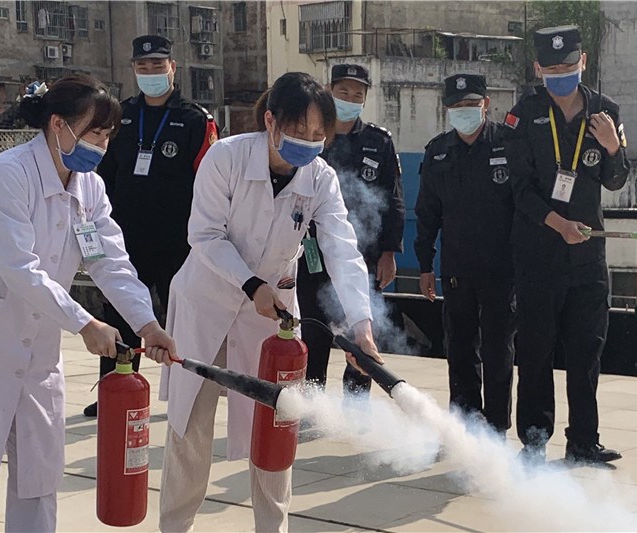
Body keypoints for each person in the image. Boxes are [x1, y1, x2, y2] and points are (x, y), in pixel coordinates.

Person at [155, 72, 383, 533]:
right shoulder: (226, 157)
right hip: (206, 304)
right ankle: (175, 527)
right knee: (190, 427)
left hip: (271, 318)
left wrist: (361, 324)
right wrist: (251, 284)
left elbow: (341, 248)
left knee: (276, 427)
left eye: (318, 134)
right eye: (299, 131)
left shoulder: (320, 178)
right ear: (270, 121)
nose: (309, 142)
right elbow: (205, 235)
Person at [0, 75, 176, 532]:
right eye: (94, 133)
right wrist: (85, 323)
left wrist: (147, 324)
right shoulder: (10, 173)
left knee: (39, 476)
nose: (101, 145)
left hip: (40, 355)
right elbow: (20, 269)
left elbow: (111, 264)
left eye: (107, 136)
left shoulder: (90, 188)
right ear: (58, 125)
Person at [504, 25, 630, 464]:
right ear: (538, 68)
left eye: (569, 65)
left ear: (583, 62)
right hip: (539, 254)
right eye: (552, 68)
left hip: (587, 257)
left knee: (586, 351)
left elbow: (616, 180)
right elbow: (520, 191)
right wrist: (558, 224)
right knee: (536, 351)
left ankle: (583, 441)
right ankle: (534, 442)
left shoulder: (605, 112)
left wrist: (612, 148)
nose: (561, 74)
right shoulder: (522, 116)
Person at [83, 34, 218, 417]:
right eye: (143, 67)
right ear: (134, 70)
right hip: (126, 238)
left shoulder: (195, 120)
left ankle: (184, 394)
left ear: (172, 68)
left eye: (158, 65)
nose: (151, 72)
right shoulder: (119, 116)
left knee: (182, 319)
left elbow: (209, 183)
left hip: (178, 242)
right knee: (121, 315)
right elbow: (103, 175)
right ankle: (115, 391)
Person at [414, 74, 516, 435]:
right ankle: (465, 426)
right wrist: (425, 266)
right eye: (457, 106)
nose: (464, 112)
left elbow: (526, 204)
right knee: (459, 350)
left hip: (503, 270)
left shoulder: (508, 143)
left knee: (498, 352)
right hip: (457, 269)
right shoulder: (438, 152)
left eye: (471, 104)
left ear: (485, 103)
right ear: (447, 109)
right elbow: (427, 213)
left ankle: (497, 428)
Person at [296, 63, 404, 396]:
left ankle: (356, 408)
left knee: (361, 336)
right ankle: (312, 405)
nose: (350, 98)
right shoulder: (314, 137)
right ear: (329, 91)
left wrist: (389, 252)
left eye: (358, 94)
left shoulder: (378, 141)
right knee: (313, 333)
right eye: (344, 91)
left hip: (363, 254)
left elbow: (393, 199)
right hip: (312, 253)